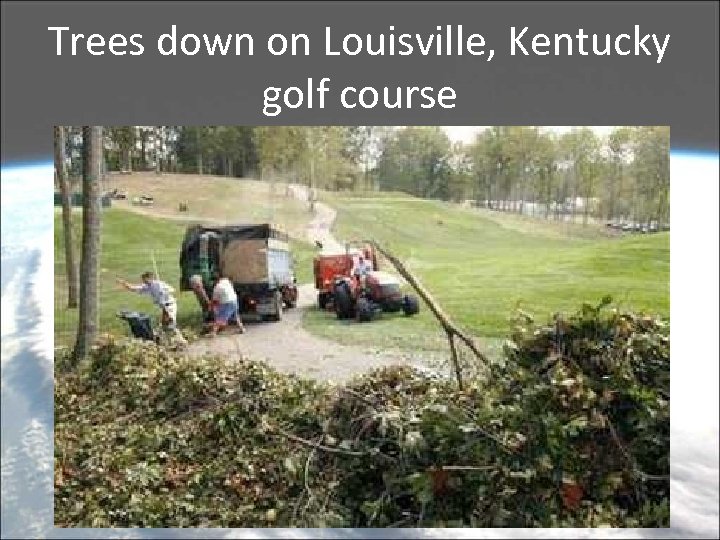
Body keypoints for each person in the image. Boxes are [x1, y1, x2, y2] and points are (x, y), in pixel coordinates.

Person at [117, 272, 188, 346]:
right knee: (165, 325)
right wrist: (124, 283)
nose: (144, 281)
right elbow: (134, 288)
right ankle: (171, 341)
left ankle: (181, 341)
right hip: (164, 307)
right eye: (143, 280)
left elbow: (173, 290)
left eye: (145, 279)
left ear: (150, 278)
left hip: (170, 306)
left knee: (170, 324)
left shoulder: (159, 284)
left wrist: (164, 292)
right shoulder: (148, 286)